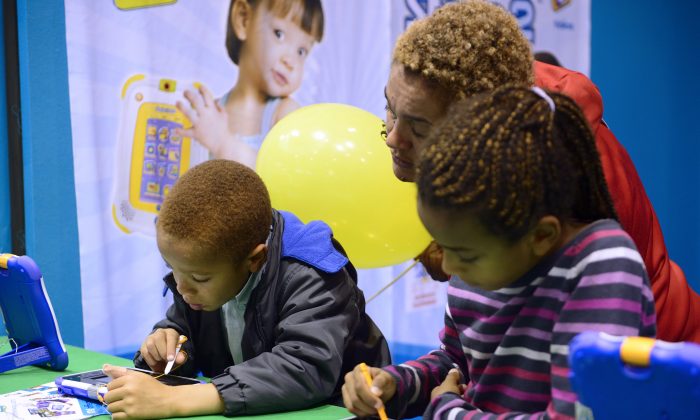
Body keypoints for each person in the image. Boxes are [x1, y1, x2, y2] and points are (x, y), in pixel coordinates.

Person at [388, 0, 700, 343]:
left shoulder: (567, 189)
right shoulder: (487, 102)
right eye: (389, 108)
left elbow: (559, 385)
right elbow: (469, 355)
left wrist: (448, 398)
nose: (392, 138)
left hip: (658, 365)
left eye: (419, 129)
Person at [343, 85, 657, 419]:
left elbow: (578, 415)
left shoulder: (604, 266)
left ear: (541, 235)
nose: (449, 266)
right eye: (443, 245)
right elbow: (457, 365)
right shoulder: (479, 257)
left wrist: (447, 411)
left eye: (466, 253)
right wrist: (394, 384)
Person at [101, 159, 390, 418]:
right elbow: (184, 327)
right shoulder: (201, 269)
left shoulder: (311, 273)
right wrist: (169, 347)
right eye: (172, 269)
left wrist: (176, 399)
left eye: (199, 279)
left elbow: (304, 368)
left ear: (255, 258)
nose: (182, 288)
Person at [175, 0, 323, 168]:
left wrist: (223, 143)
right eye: (279, 34)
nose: (291, 61)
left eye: (301, 51)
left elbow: (282, 179)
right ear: (243, 19)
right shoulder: (214, 114)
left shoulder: (285, 114)